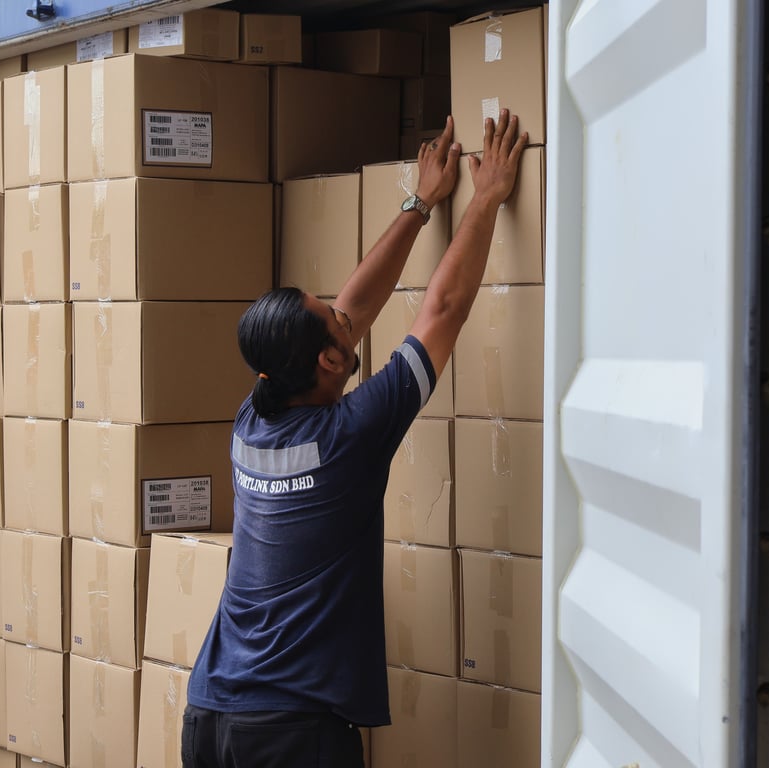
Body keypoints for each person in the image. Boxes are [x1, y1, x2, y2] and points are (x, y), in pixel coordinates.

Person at [182, 109, 528, 767]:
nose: (346, 314)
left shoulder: (252, 421)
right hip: (289, 734)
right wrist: (486, 197)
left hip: (212, 718)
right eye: (333, 322)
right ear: (329, 364)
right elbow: (444, 310)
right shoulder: (350, 435)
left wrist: (421, 203)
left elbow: (356, 310)